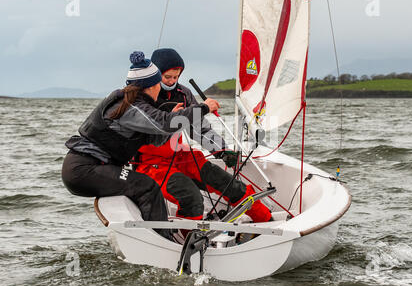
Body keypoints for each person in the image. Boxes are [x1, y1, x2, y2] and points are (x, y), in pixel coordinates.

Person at [61, 51, 220, 240]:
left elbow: (155, 138)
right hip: (83, 169)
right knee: (147, 187)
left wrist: (176, 119)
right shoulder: (129, 106)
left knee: (145, 186)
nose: (159, 90)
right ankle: (162, 241)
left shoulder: (136, 104)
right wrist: (203, 108)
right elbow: (163, 122)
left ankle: (151, 236)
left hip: (94, 168)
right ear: (150, 86)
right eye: (157, 85)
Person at [134, 48, 272, 225]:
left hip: (181, 156)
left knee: (230, 185)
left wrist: (221, 151)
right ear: (156, 73)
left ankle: (267, 221)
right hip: (150, 165)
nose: (172, 81)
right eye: (167, 77)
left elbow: (199, 129)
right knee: (191, 198)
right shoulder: (142, 96)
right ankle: (189, 241)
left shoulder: (184, 94)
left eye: (176, 77)